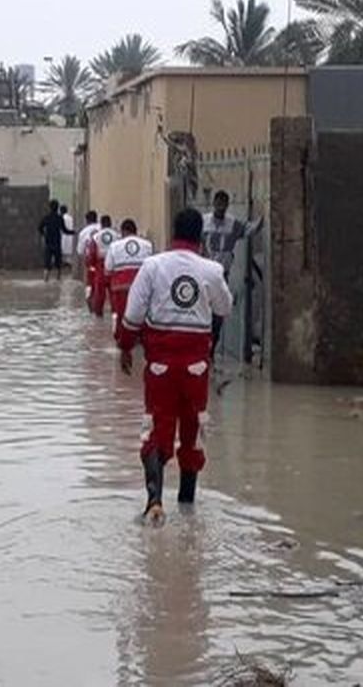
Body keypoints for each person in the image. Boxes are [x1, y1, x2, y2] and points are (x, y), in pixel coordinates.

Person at [118, 208, 233, 524]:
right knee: (193, 433)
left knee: (156, 430)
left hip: (159, 369)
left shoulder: (152, 266)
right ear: (201, 237)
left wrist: (125, 348)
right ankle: (187, 506)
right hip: (196, 369)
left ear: (172, 233)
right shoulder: (211, 270)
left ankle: (154, 502)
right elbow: (226, 306)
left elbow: (132, 315)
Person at [202, 191, 246, 356]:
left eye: (223, 204)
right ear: (213, 203)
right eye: (218, 203)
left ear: (227, 205)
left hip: (222, 275)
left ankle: (212, 347)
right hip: (204, 273)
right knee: (204, 310)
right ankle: (205, 346)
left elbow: (248, 230)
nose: (220, 207)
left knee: (219, 313)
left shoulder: (232, 223)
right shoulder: (203, 222)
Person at [104, 218, 153, 339]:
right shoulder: (147, 245)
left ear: (122, 232)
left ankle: (123, 342)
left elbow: (108, 269)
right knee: (142, 315)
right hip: (141, 288)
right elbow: (152, 267)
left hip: (121, 288)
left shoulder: (114, 246)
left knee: (121, 315)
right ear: (135, 231)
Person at [88, 215, 118, 316]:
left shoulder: (96, 237)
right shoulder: (117, 235)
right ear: (110, 223)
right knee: (114, 293)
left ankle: (98, 315)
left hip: (100, 266)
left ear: (101, 224)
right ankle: (115, 313)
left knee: (99, 293)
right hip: (114, 268)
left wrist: (91, 265)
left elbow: (92, 253)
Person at [38, 199, 73, 281]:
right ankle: (58, 280)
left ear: (49, 208)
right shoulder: (59, 218)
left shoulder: (46, 218)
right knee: (58, 265)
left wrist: (44, 235)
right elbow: (65, 230)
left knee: (47, 264)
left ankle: (45, 280)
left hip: (48, 243)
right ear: (57, 208)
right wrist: (74, 232)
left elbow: (39, 228)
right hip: (57, 243)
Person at [76, 210, 100, 299]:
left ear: (87, 220)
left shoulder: (83, 232)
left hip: (91, 262)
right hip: (104, 261)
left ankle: (89, 299)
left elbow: (80, 252)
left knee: (89, 283)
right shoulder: (102, 228)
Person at [60, 204, 75, 269]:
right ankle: (69, 263)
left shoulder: (61, 218)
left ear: (61, 211)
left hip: (64, 236)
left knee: (64, 250)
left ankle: (65, 264)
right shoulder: (71, 218)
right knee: (69, 251)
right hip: (70, 236)